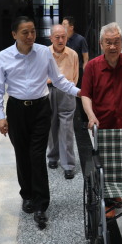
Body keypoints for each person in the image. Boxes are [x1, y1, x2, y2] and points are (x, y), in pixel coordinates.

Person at [0, 17, 80, 229]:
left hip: (41, 108)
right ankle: (27, 195)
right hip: (16, 110)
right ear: (14, 35)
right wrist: (0, 116)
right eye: (25, 32)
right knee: (22, 154)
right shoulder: (3, 56)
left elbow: (58, 79)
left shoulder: (43, 52)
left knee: (37, 155)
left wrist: (78, 92)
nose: (30, 36)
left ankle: (41, 205)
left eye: (32, 31)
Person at [46, 24, 79, 180]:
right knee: (51, 125)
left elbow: (75, 75)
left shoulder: (73, 54)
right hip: (48, 90)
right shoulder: (44, 53)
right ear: (51, 38)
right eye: (57, 37)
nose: (60, 40)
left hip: (66, 92)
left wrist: (71, 89)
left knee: (66, 129)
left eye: (63, 37)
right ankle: (52, 156)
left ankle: (68, 165)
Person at [62, 16, 89, 127]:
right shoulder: (62, 39)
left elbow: (85, 58)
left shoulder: (80, 39)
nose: (62, 26)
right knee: (64, 95)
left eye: (64, 24)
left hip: (78, 72)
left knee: (80, 96)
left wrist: (85, 72)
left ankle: (85, 120)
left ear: (71, 27)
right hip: (64, 71)